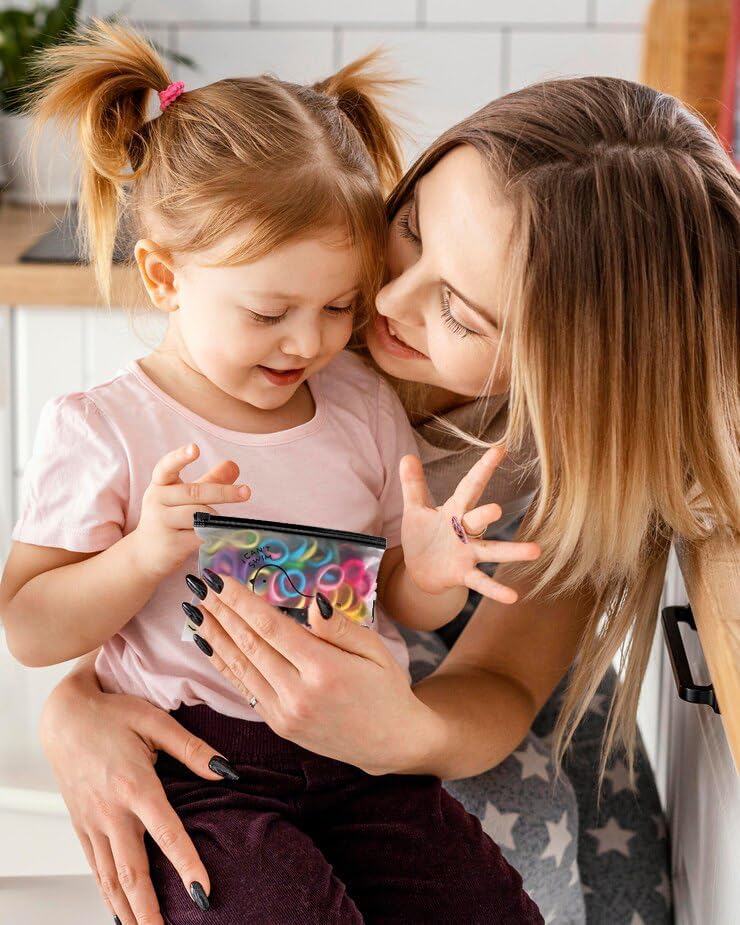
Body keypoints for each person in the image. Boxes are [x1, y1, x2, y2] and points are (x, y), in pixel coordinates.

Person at [20, 35, 740, 925]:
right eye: (411, 231)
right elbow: (135, 596)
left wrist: (400, 724)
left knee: (519, 838)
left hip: (443, 703)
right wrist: (74, 709)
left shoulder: (576, 462)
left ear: (565, 367)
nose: (382, 304)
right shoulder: (309, 287)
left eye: (459, 313)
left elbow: (501, 679)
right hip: (238, 721)